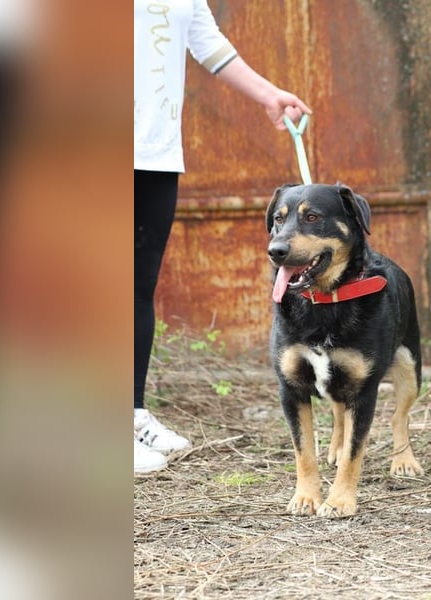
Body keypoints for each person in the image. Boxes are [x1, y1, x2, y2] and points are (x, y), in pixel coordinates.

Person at [134, 0, 311, 473]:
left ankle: (129, 412)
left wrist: (269, 94)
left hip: (154, 150)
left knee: (136, 287)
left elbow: (208, 44)